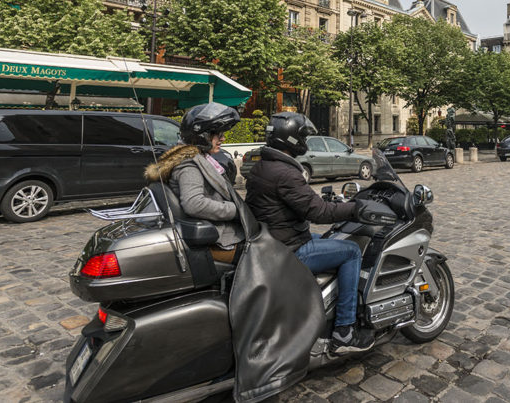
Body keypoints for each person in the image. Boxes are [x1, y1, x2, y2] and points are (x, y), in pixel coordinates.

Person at [245, 112, 375, 355]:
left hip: (274, 240)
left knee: (329, 239)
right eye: (303, 136)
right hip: (289, 247)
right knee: (351, 251)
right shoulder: (285, 172)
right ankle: (344, 330)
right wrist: (356, 209)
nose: (305, 141)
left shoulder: (263, 166)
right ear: (291, 139)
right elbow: (319, 212)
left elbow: (295, 205)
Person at [145, 102, 244, 264]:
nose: (222, 138)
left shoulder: (198, 158)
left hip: (211, 230)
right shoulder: (189, 164)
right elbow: (194, 203)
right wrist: (235, 210)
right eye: (217, 134)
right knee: (264, 250)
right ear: (202, 135)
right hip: (216, 238)